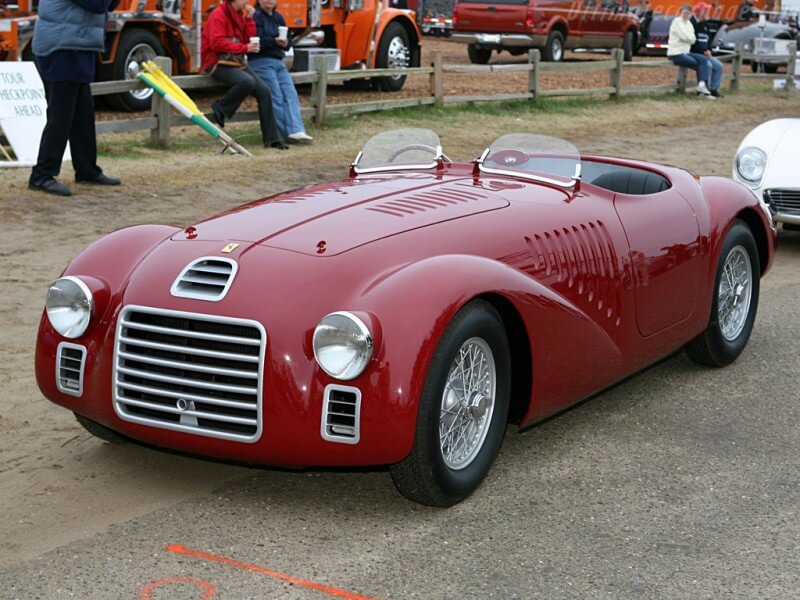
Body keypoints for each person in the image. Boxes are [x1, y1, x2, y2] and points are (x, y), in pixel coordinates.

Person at [28, 0, 122, 197]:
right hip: (60, 48)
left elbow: (110, 5)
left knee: (83, 114)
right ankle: (42, 175)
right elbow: (96, 4)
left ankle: (87, 170)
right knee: (60, 116)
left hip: (76, 46)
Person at [202, 0, 287, 150]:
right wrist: (244, 48)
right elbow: (216, 44)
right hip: (217, 62)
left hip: (235, 61)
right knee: (247, 82)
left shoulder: (240, 14)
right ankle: (220, 107)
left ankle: (272, 140)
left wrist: (249, 19)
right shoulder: (218, 14)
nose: (247, 1)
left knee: (265, 91)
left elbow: (249, 37)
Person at [248, 0, 313, 143]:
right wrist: (274, 41)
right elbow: (254, 40)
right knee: (275, 96)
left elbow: (288, 39)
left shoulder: (278, 17)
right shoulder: (255, 16)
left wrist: (285, 43)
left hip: (279, 62)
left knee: (291, 94)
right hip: (260, 62)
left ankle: (297, 130)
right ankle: (288, 134)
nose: (269, 1)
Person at [667, 5, 715, 99]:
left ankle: (701, 86)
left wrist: (689, 38)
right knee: (701, 65)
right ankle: (702, 91)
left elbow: (693, 40)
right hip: (676, 53)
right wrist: (689, 38)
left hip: (686, 52)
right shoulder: (676, 22)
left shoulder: (689, 24)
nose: (686, 15)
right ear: (680, 13)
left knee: (703, 59)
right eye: (684, 13)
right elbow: (684, 37)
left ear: (690, 14)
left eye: (688, 13)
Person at [691, 2, 724, 97]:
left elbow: (708, 39)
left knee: (719, 66)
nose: (708, 13)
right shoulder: (692, 23)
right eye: (706, 11)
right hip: (694, 53)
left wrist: (709, 49)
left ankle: (713, 89)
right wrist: (703, 51)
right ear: (699, 12)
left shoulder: (705, 23)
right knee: (708, 65)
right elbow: (692, 41)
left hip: (705, 53)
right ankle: (703, 90)